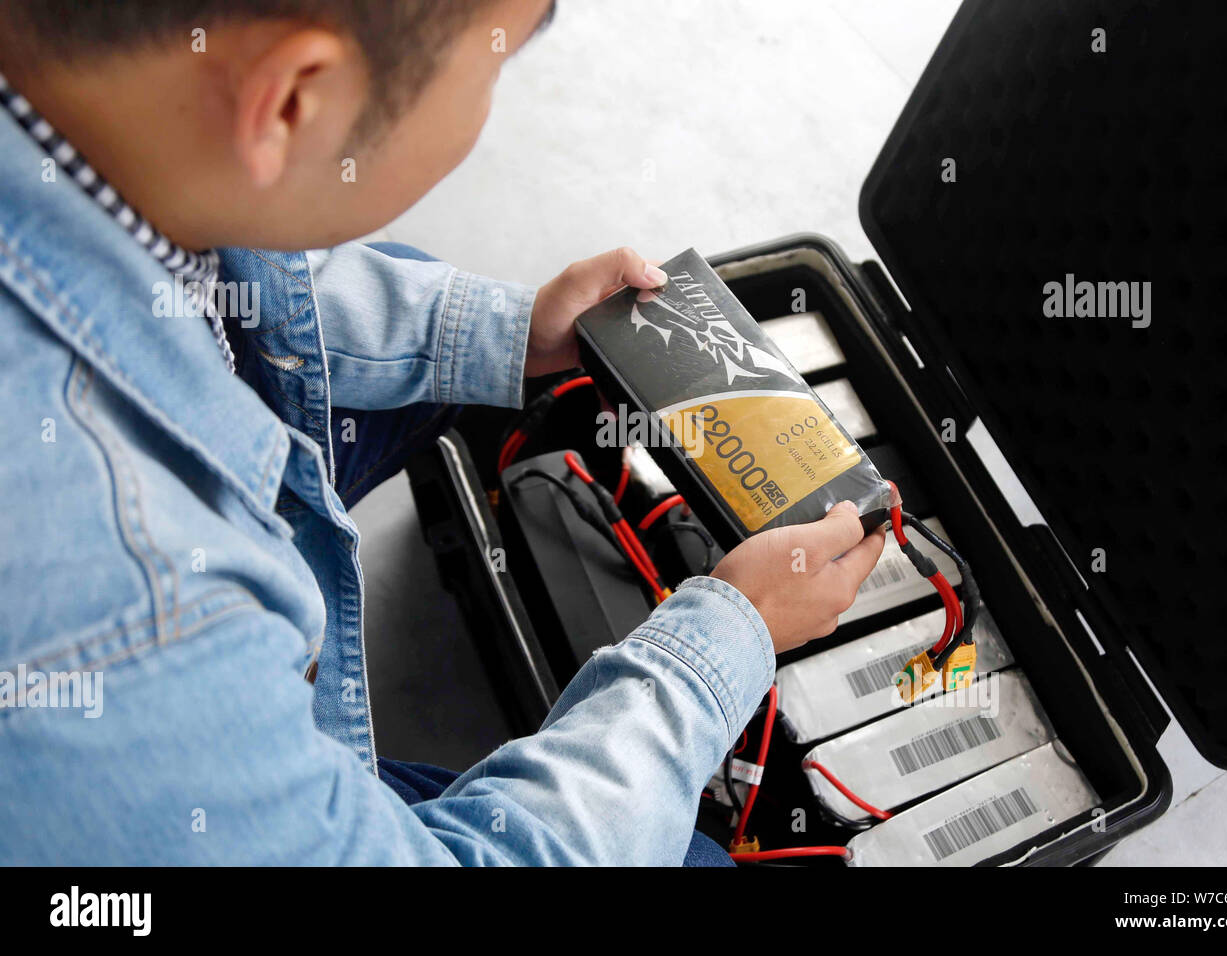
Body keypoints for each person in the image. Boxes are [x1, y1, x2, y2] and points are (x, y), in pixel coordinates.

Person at [0, 0, 887, 865]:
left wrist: (495, 333)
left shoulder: (96, 108)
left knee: (419, 296)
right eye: (498, 62)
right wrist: (723, 642)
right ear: (295, 99)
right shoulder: (128, 619)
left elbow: (256, 266)